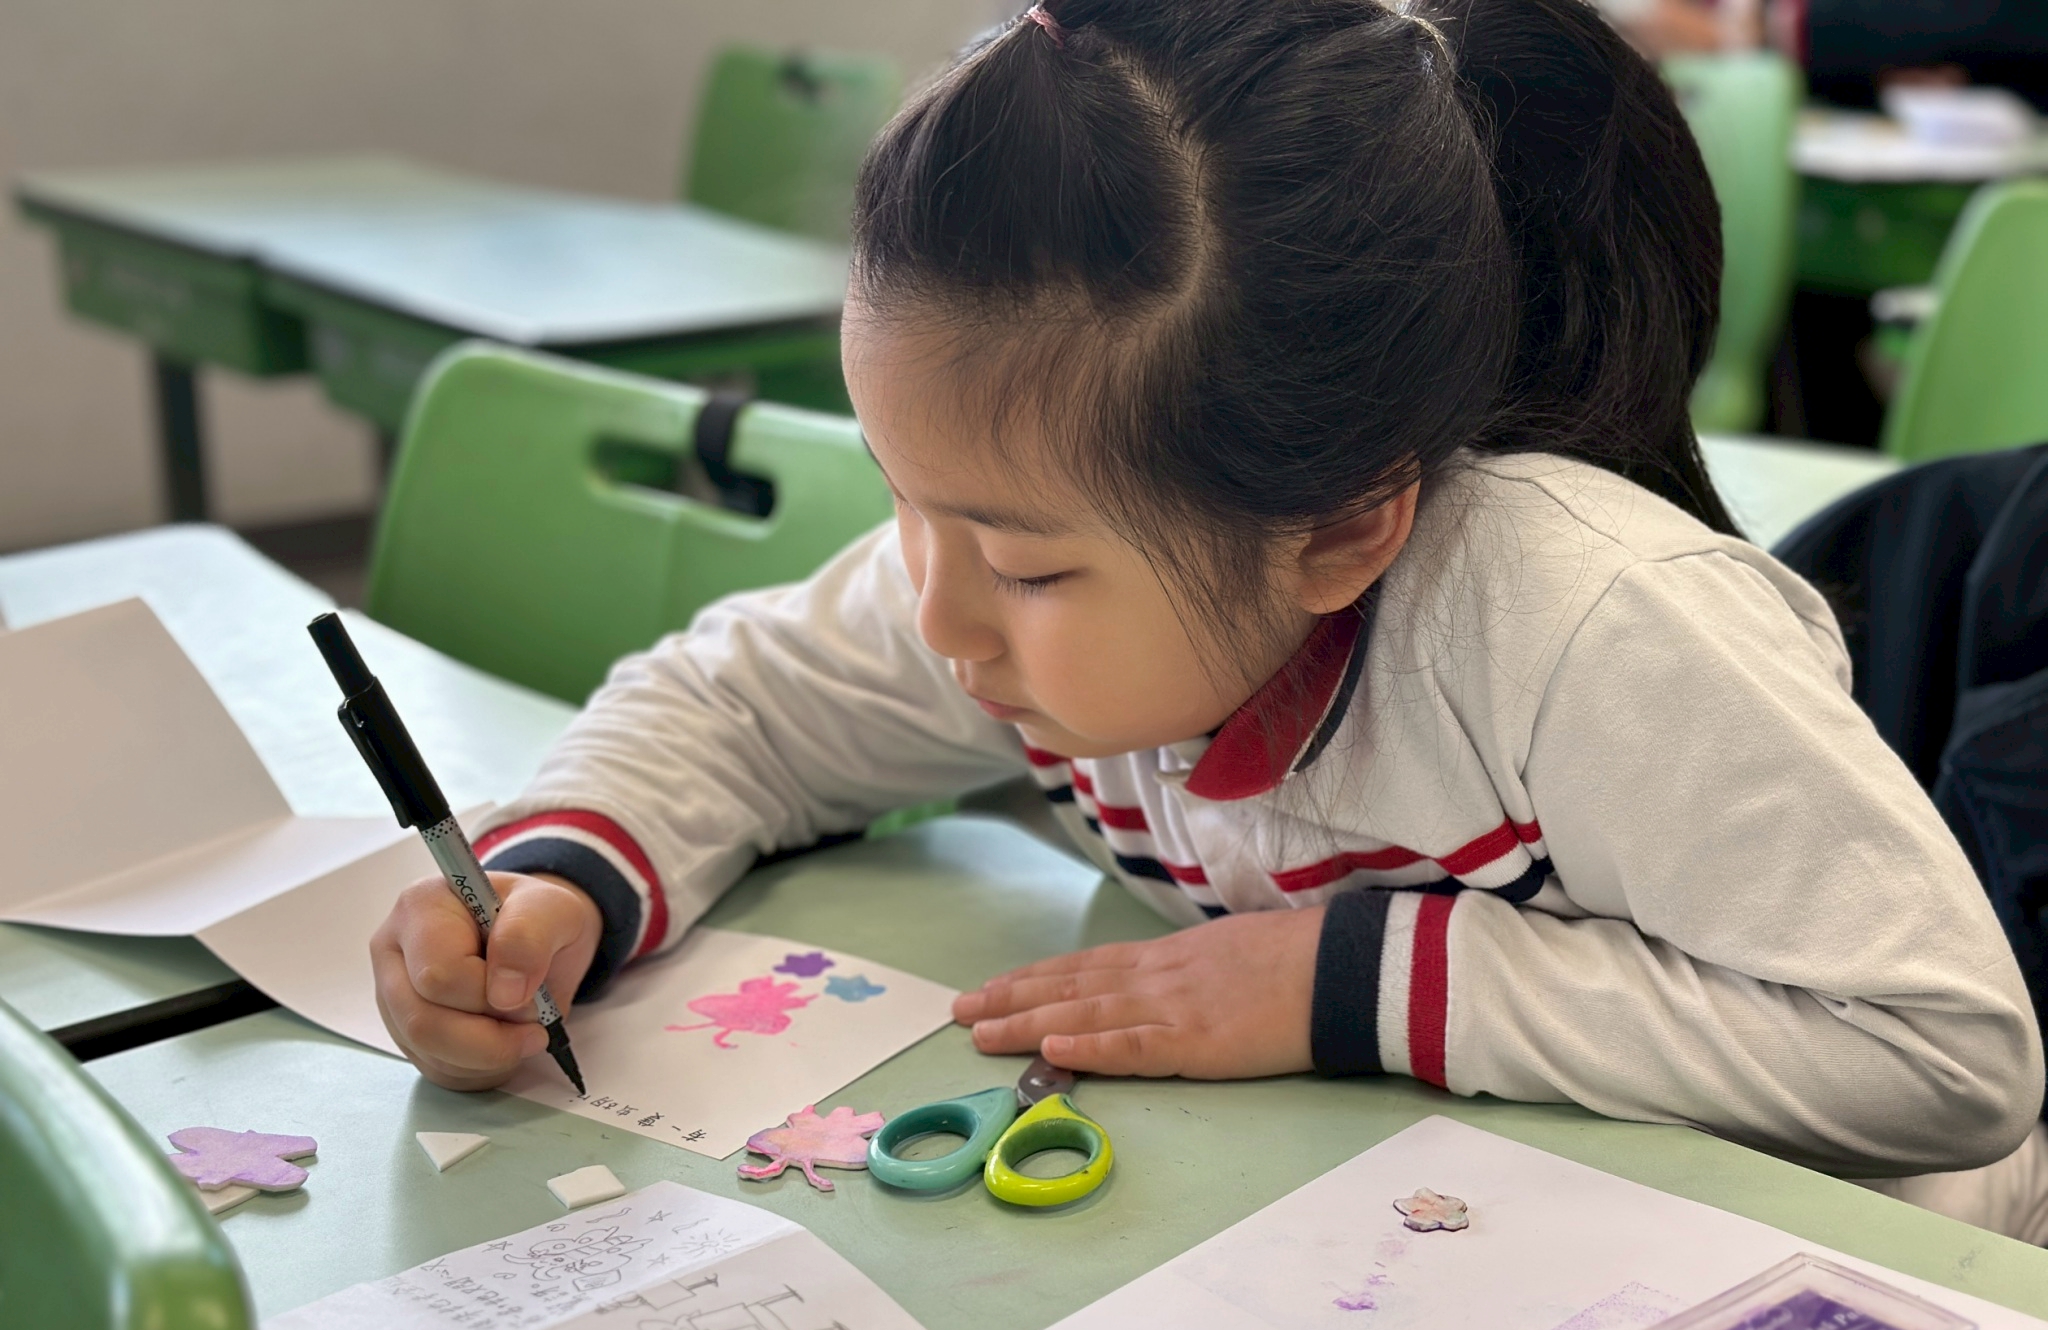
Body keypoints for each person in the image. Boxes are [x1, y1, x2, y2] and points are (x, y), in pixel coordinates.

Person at [370, 0, 2043, 1222]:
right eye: (903, 499)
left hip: (1875, 1311)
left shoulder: (1587, 624)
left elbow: (1946, 1054)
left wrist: (1340, 983)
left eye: (1025, 566)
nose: (941, 617)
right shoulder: (1041, 560)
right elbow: (741, 703)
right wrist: (559, 875)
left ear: (1341, 529)